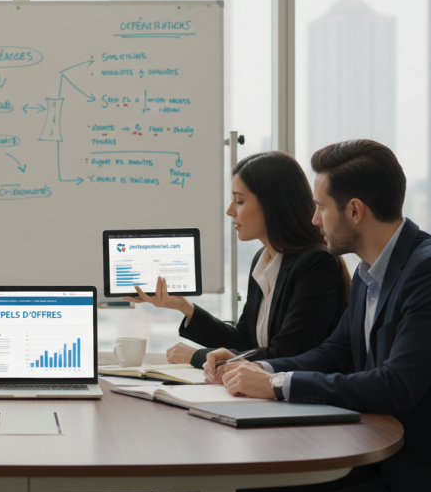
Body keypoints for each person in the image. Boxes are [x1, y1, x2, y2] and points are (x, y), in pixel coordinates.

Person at [206, 140, 431, 492]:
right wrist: (254, 367)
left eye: (321, 207)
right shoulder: (369, 273)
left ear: (355, 211)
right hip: (383, 452)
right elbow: (332, 353)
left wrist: (276, 384)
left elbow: (394, 387)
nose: (314, 219)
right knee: (260, 486)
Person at [124, 151, 349, 368]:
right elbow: (244, 341)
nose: (230, 210)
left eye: (239, 201)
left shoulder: (317, 264)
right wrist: (184, 307)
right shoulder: (263, 260)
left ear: (272, 204)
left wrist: (197, 357)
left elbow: (287, 353)